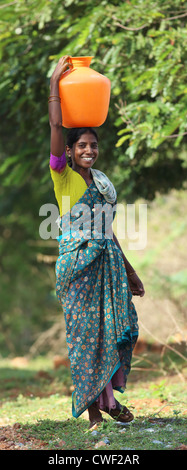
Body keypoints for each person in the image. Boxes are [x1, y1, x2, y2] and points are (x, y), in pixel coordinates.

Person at [48, 56, 145, 429]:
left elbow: (108, 231)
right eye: (82, 146)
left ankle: (108, 400)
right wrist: (55, 86)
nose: (89, 150)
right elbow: (57, 125)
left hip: (107, 266)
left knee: (115, 329)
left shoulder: (101, 185)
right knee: (85, 338)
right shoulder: (63, 178)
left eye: (93, 145)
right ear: (70, 152)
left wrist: (130, 270)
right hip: (77, 271)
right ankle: (93, 413)